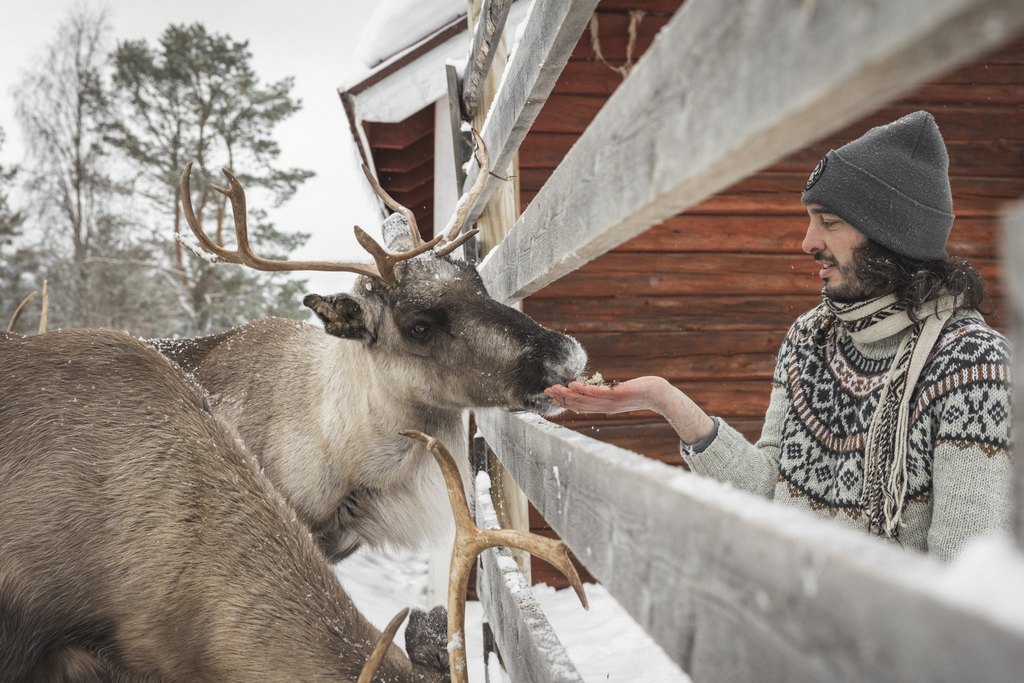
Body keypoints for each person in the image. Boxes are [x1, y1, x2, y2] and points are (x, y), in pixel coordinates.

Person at [545, 110, 1012, 562]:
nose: (807, 242)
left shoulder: (973, 364)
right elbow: (771, 492)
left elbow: (963, 575)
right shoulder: (811, 338)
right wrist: (666, 400)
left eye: (828, 222)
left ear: (892, 235)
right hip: (787, 620)